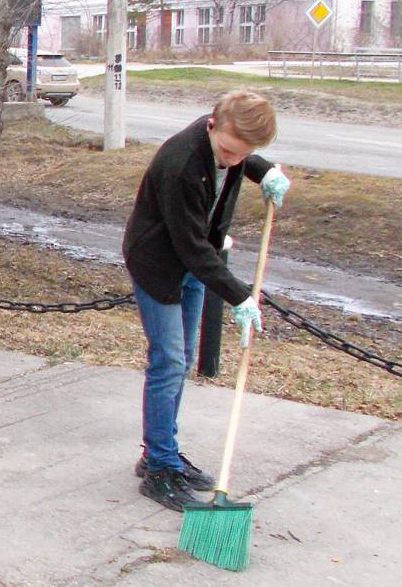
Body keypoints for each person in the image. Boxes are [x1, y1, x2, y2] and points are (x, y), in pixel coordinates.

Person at [122, 90, 289, 512]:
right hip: (160, 263)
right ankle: (159, 466)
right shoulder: (180, 164)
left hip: (197, 261)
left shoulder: (227, 142)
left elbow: (241, 158)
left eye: (243, 154)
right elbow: (191, 247)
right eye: (229, 152)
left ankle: (160, 452)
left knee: (181, 359)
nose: (233, 161)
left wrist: (264, 171)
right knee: (170, 361)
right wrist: (240, 295)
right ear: (212, 125)